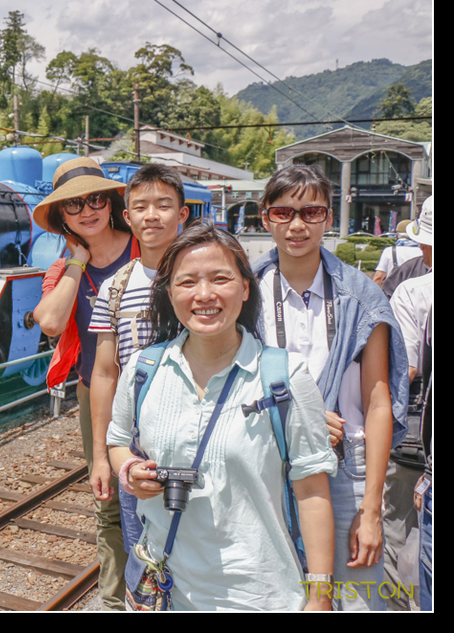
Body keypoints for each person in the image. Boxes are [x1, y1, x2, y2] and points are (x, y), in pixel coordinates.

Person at [106, 222, 336, 610]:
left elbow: (312, 491)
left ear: (246, 288)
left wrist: (320, 597)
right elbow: (116, 442)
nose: (204, 294)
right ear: (169, 292)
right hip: (162, 591)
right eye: (187, 282)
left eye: (220, 278)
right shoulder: (143, 369)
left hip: (256, 595)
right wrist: (129, 471)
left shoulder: (283, 377)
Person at [251, 164, 408, 610]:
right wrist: (299, 414)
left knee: (358, 600)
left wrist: (372, 509)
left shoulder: (361, 297)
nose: (297, 225)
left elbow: (380, 403)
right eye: (283, 212)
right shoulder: (245, 292)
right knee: (274, 596)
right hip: (267, 463)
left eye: (311, 211)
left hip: (348, 471)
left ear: (328, 219)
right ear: (266, 218)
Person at [32, 157, 136, 610]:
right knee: (108, 499)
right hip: (98, 391)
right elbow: (51, 322)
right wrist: (78, 260)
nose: (86, 211)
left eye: (95, 198)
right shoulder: (66, 269)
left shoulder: (146, 249)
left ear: (111, 202)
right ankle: (114, 600)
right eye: (72, 206)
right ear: (61, 218)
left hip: (157, 387)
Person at [87, 163, 190, 552]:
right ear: (127, 217)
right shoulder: (115, 288)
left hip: (197, 433)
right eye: (141, 207)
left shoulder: (202, 276)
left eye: (163, 205)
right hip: (135, 446)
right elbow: (104, 373)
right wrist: (102, 457)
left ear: (182, 214)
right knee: (142, 551)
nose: (152, 216)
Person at [385, 197, 433, 609]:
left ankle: (400, 606)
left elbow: (408, 369)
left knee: (394, 532)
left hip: (415, 440)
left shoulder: (414, 291)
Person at [372, 219, 422, 285]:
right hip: (418, 292)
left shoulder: (389, 251)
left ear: (397, 235)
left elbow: (378, 277)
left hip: (393, 292)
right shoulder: (423, 252)